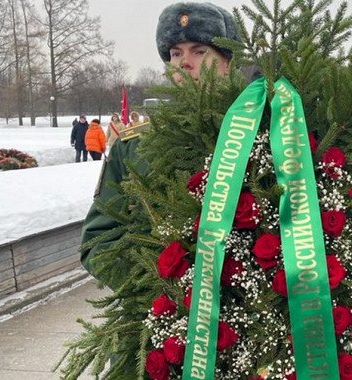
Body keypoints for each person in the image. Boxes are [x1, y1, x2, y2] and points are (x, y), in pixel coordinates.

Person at [80, 2, 241, 289]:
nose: (184, 62)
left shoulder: (264, 133)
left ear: (228, 62)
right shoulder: (134, 146)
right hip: (163, 322)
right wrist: (153, 292)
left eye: (199, 51)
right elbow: (99, 240)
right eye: (175, 53)